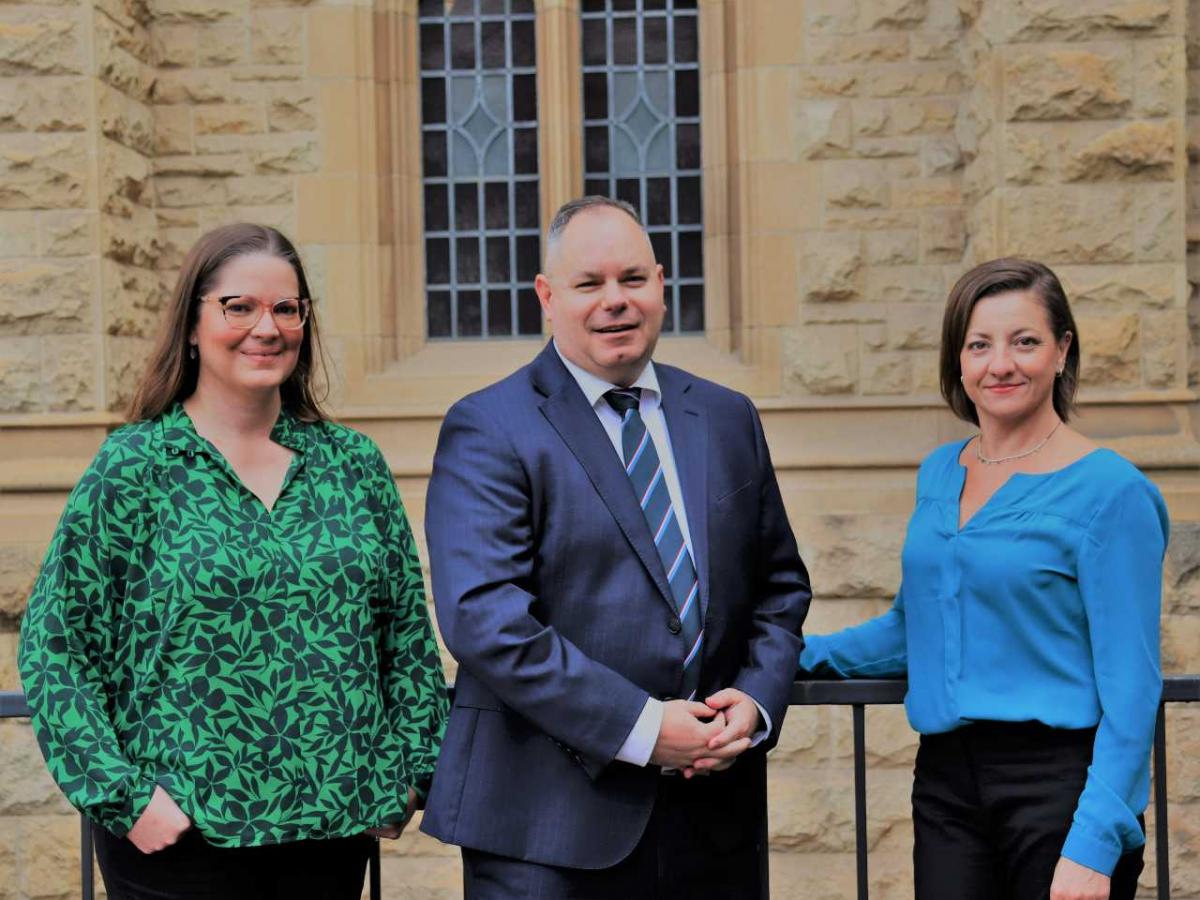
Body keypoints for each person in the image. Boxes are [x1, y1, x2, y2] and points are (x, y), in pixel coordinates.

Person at [18, 223, 448, 900]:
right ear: (192, 325)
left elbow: (406, 644)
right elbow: (55, 645)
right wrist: (124, 798)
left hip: (329, 837)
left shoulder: (353, 467)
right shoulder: (137, 467)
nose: (267, 327)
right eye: (238, 307)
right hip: (180, 841)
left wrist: (405, 775)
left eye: (286, 308)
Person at [419, 196, 811, 899]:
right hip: (548, 833)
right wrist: (642, 727)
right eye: (588, 284)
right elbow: (486, 619)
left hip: (712, 825)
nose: (615, 302)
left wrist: (754, 704)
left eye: (633, 279)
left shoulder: (725, 418)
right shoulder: (489, 427)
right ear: (547, 296)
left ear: (662, 284)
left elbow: (780, 588)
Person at [800, 258, 1168, 900]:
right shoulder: (940, 472)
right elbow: (914, 629)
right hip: (947, 785)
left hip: (1059, 788)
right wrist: (786, 657)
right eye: (980, 344)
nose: (1001, 364)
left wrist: (1095, 841)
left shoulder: (1112, 492)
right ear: (959, 361)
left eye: (1024, 341)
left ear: (1062, 350)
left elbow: (1132, 687)